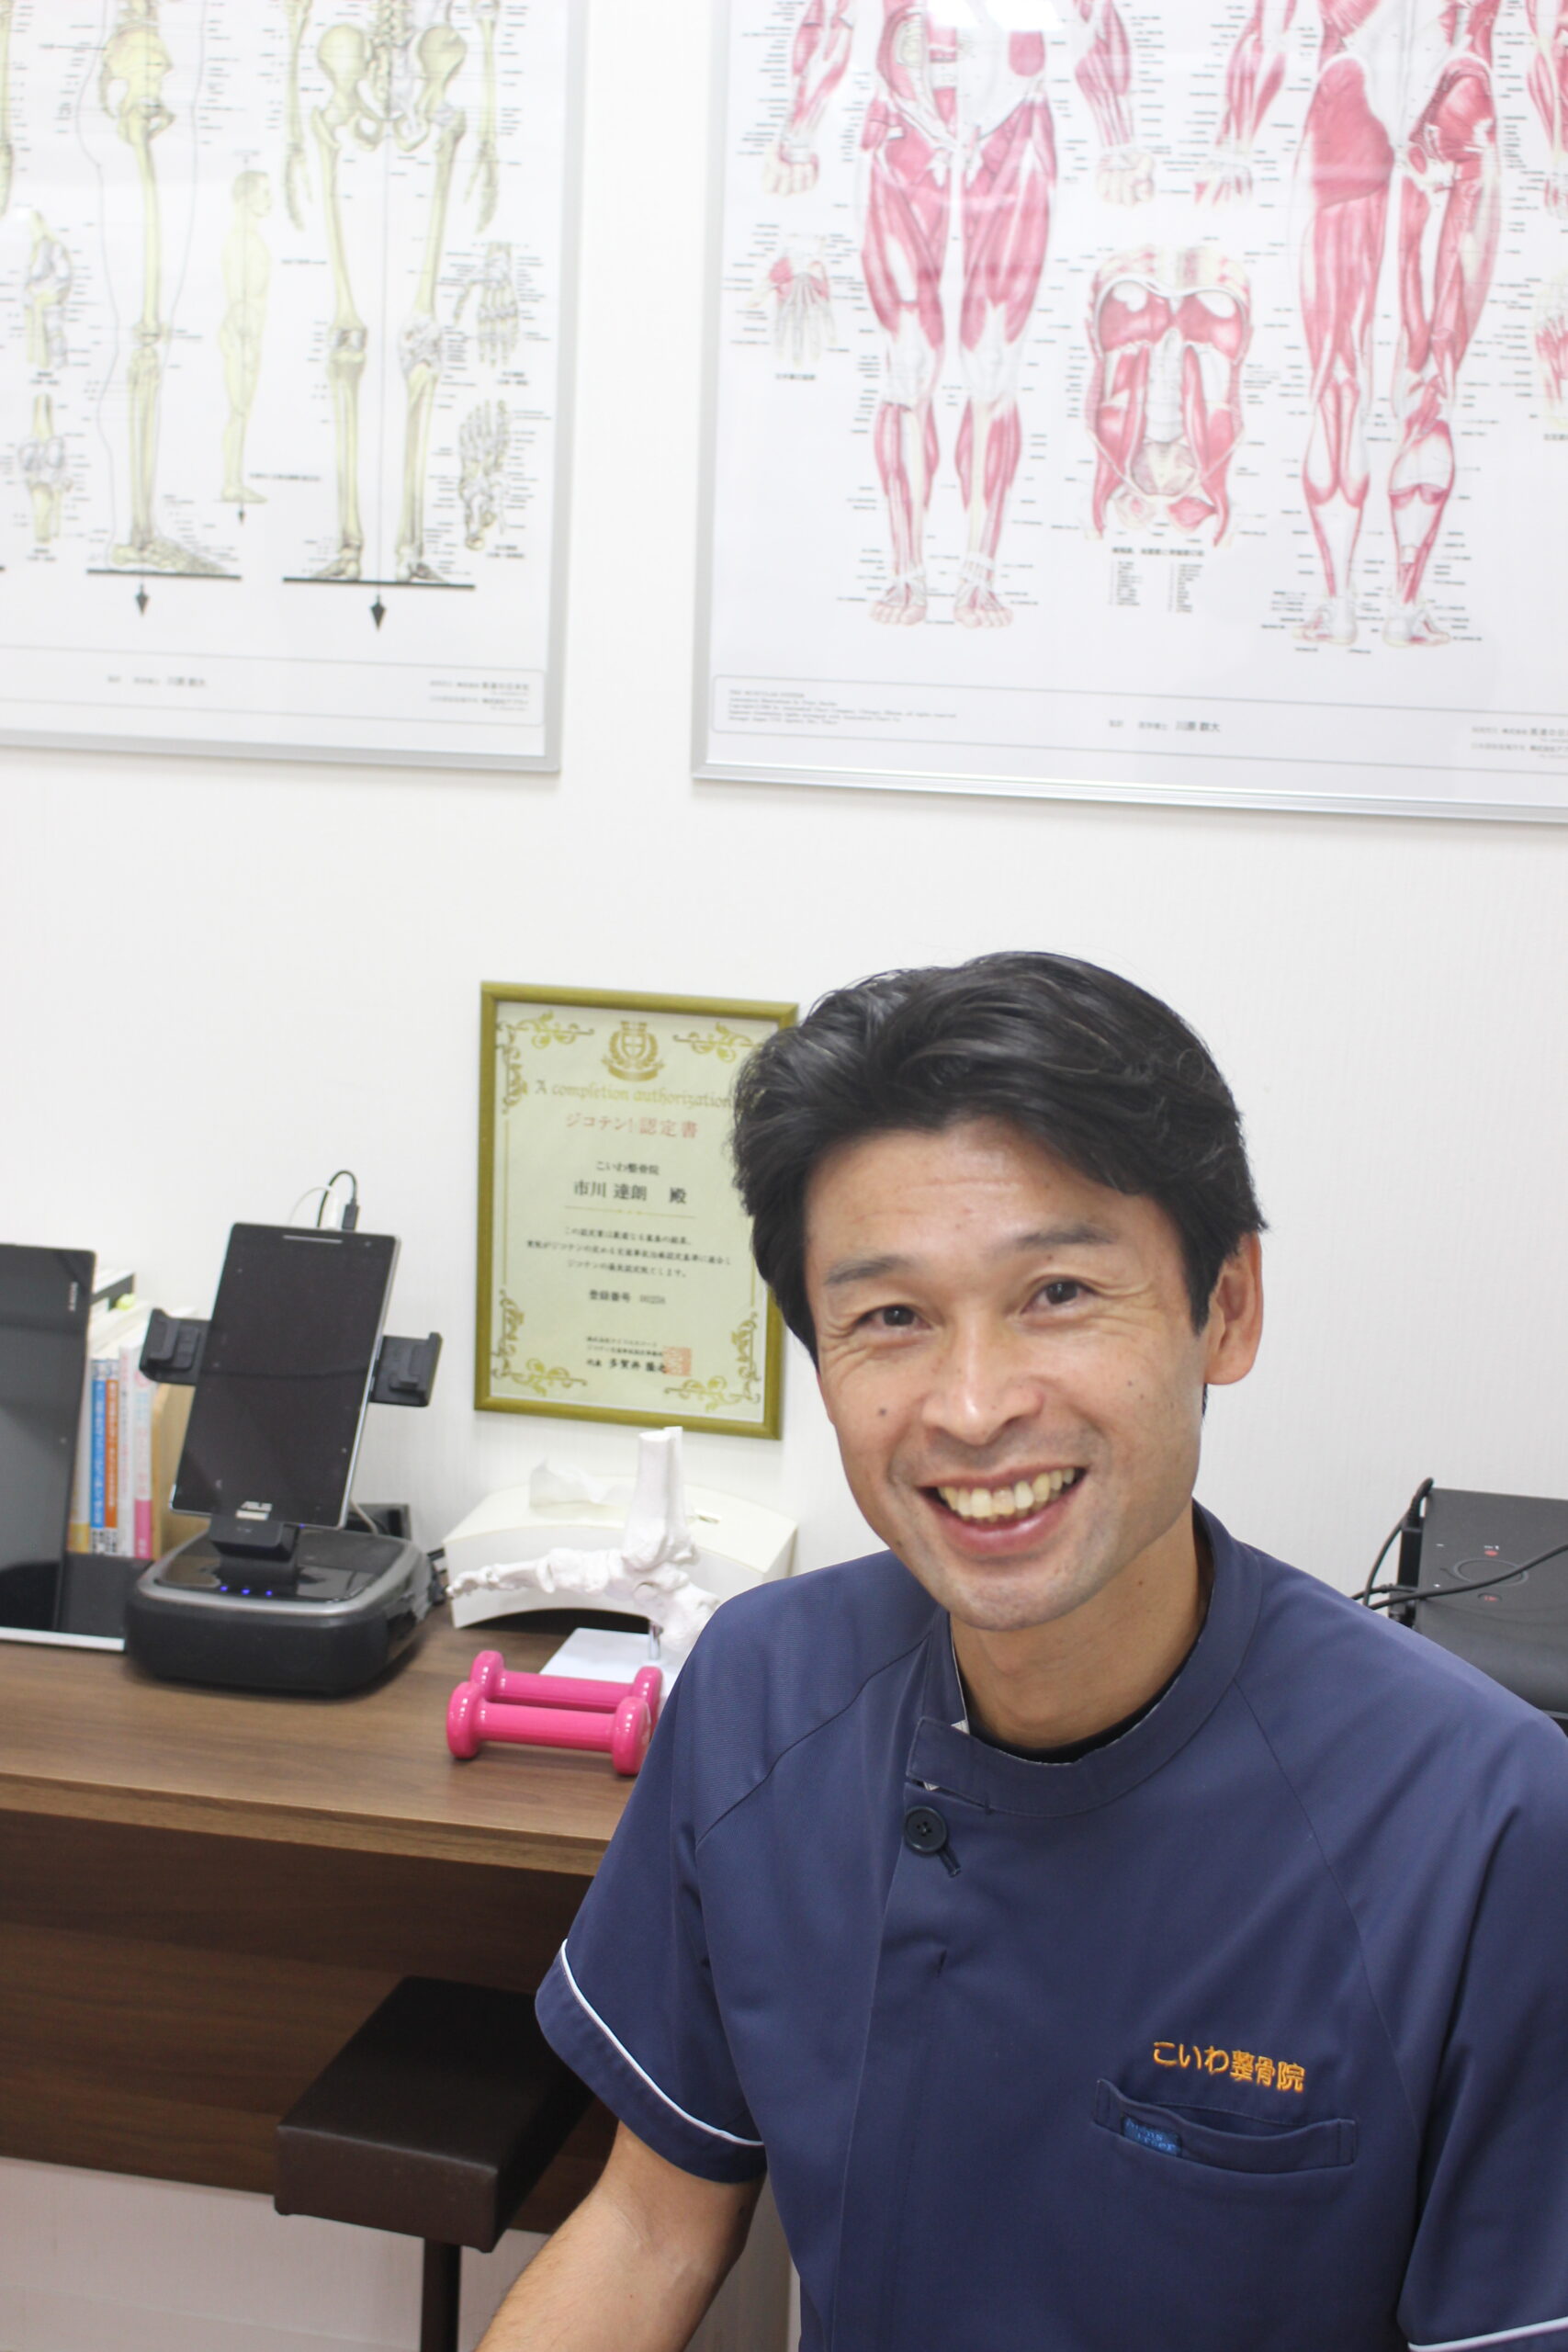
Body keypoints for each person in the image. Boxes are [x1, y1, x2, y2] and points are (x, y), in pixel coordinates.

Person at [479, 952, 1568, 2352]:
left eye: (1057, 1291)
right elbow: (648, 2229)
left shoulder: (1485, 1826)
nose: (975, 1406)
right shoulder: (760, 1694)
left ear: (1226, 1308)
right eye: (891, 1318)